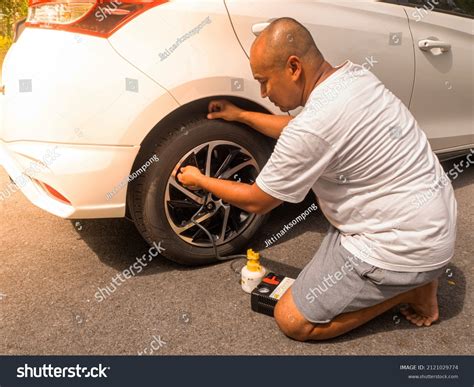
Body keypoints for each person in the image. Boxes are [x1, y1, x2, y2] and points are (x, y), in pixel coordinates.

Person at [177, 17, 457, 341]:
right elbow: (298, 129)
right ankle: (412, 278)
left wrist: (200, 179)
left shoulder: (312, 127)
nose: (264, 93)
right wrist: (240, 115)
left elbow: (258, 200)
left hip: (402, 245)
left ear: (293, 67)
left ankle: (408, 291)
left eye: (264, 81)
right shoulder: (352, 76)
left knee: (293, 319)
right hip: (433, 220)